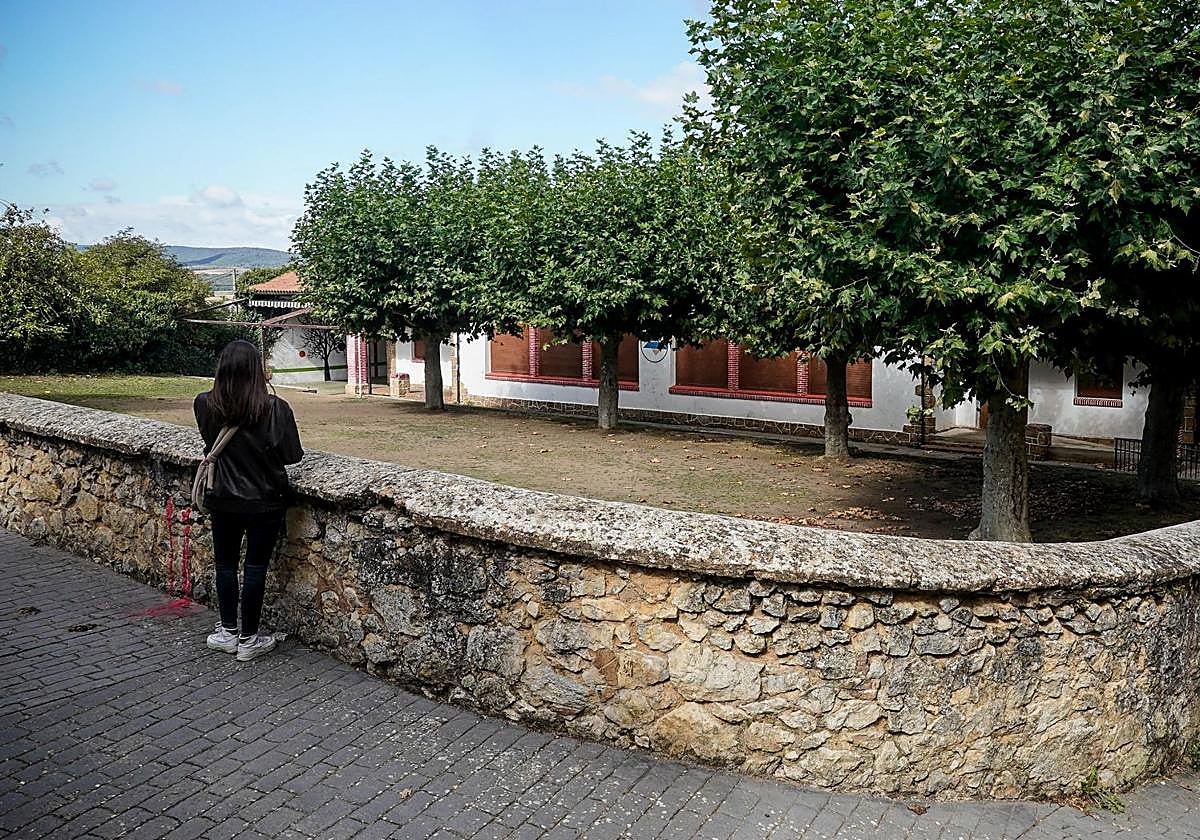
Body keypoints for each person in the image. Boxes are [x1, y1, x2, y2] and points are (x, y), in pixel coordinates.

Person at [194, 339, 304, 662]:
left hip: (223, 497)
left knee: (225, 564)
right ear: (257, 370)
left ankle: (227, 631)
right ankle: (249, 638)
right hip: (265, 499)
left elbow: (210, 442)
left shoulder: (204, 404)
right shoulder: (275, 409)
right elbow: (291, 455)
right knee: (255, 566)